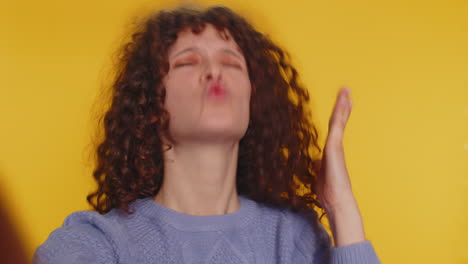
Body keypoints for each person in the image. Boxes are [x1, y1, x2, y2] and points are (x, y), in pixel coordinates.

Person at [34, 4, 381, 264]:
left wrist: (341, 208)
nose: (214, 71)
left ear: (252, 100)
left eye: (232, 63)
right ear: (150, 104)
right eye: (188, 62)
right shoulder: (98, 243)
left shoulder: (294, 239)